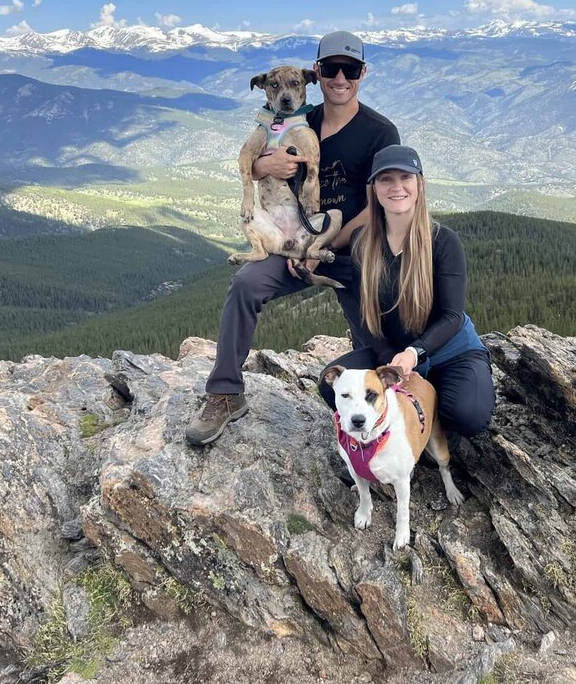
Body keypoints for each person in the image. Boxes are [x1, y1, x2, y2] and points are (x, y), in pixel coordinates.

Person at [186, 31, 399, 446]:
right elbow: (255, 157)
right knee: (246, 284)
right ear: (317, 74)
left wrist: (323, 249)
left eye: (350, 70)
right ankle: (225, 393)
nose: (341, 78)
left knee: (377, 345)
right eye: (332, 69)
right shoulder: (299, 117)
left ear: (362, 74)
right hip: (290, 240)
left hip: (353, 251)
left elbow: (380, 206)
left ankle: (393, 417)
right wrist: (265, 165)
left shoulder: (379, 132)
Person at [318, 144, 496, 440]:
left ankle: (430, 412)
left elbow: (452, 316)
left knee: (468, 416)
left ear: (419, 184)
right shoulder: (363, 242)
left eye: (406, 177)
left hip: (450, 352)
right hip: (393, 356)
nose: (397, 187)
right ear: (374, 189)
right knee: (329, 385)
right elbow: (366, 312)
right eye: (386, 179)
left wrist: (414, 353)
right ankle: (389, 436)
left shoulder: (443, 241)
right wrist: (389, 358)